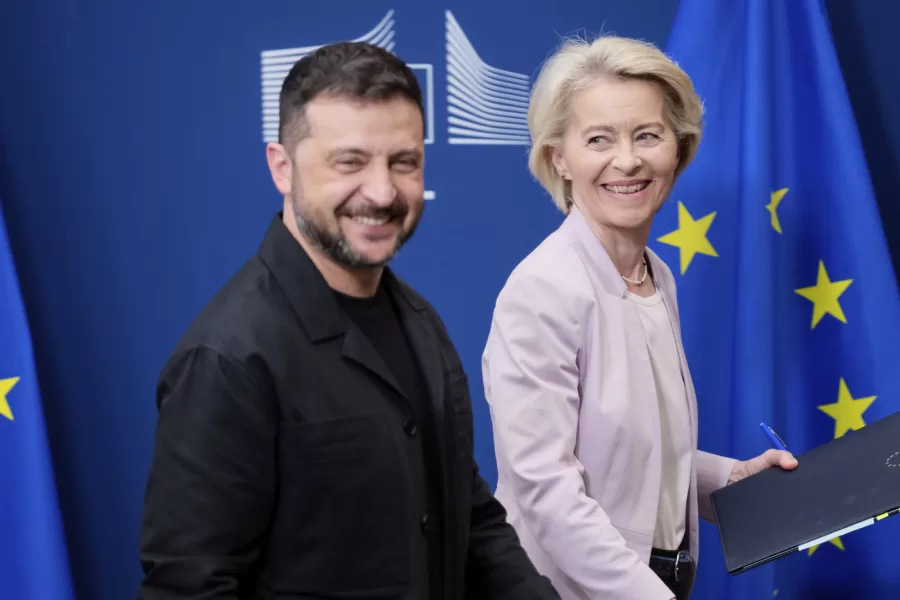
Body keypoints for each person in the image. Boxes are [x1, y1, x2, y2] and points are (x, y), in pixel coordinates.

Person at [138, 41, 560, 600]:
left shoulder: (419, 321)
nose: (383, 191)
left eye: (403, 162)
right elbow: (189, 589)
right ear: (281, 167)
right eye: (350, 162)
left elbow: (471, 519)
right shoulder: (227, 359)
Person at [480, 35, 798, 600]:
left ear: (678, 148)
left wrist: (728, 483)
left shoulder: (654, 274)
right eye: (599, 139)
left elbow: (626, 450)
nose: (627, 160)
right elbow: (548, 492)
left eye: (647, 136)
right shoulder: (543, 290)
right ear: (559, 157)